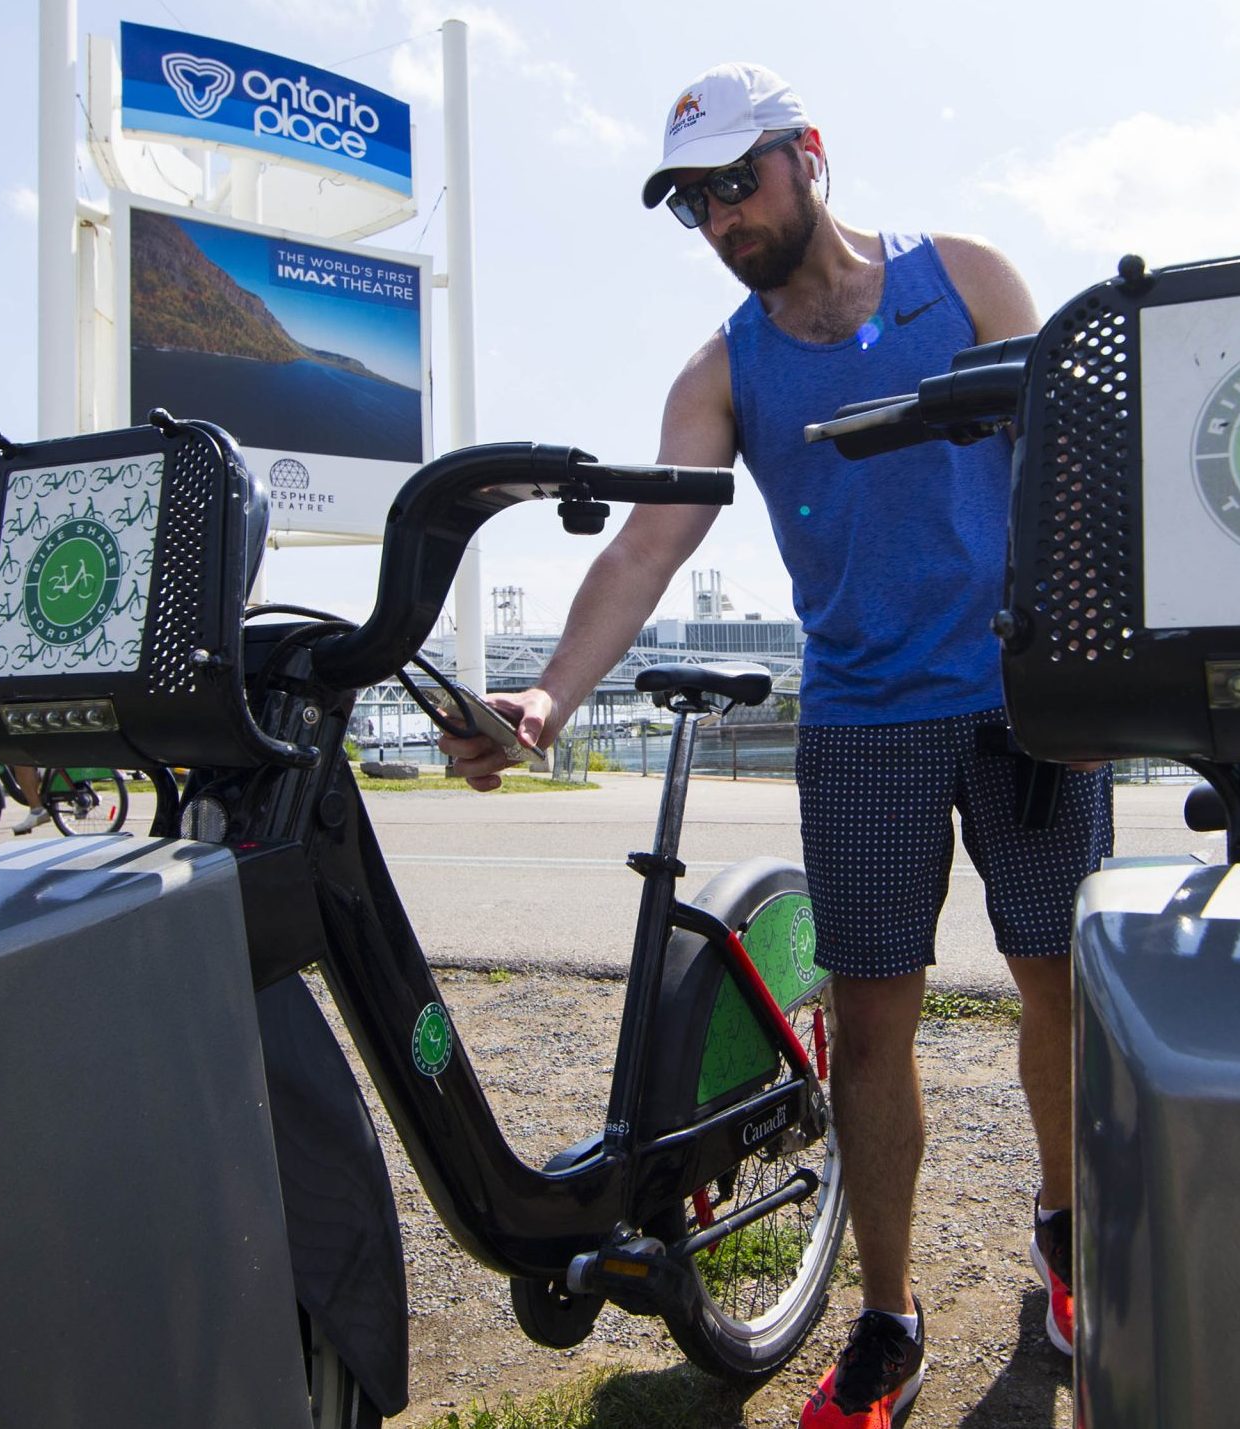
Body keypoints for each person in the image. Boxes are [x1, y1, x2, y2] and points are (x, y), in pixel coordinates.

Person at [438, 62, 1114, 1427]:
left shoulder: (967, 278)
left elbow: (1073, 472)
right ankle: (886, 1315)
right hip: (864, 715)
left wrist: (1094, 671)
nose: (718, 218)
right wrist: (549, 702)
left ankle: (1065, 1233)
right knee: (869, 1020)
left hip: (1019, 696)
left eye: (734, 183)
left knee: (1058, 985)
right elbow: (645, 546)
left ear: (807, 156)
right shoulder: (723, 371)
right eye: (690, 203)